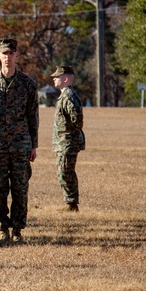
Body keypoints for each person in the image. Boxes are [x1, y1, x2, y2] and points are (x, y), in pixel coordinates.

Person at [0, 38, 39, 245]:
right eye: (4, 53)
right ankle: (2, 228)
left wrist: (34, 145)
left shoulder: (28, 85)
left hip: (21, 145)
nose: (8, 57)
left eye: (11, 53)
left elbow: (33, 116)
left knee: (20, 189)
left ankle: (18, 229)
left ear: (16, 56)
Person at [51, 65, 84, 212]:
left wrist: (70, 134)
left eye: (57, 77)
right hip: (63, 142)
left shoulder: (68, 96)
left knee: (65, 171)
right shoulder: (64, 95)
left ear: (65, 78)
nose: (54, 79)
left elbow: (77, 118)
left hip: (68, 142)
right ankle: (70, 202)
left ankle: (71, 204)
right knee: (63, 170)